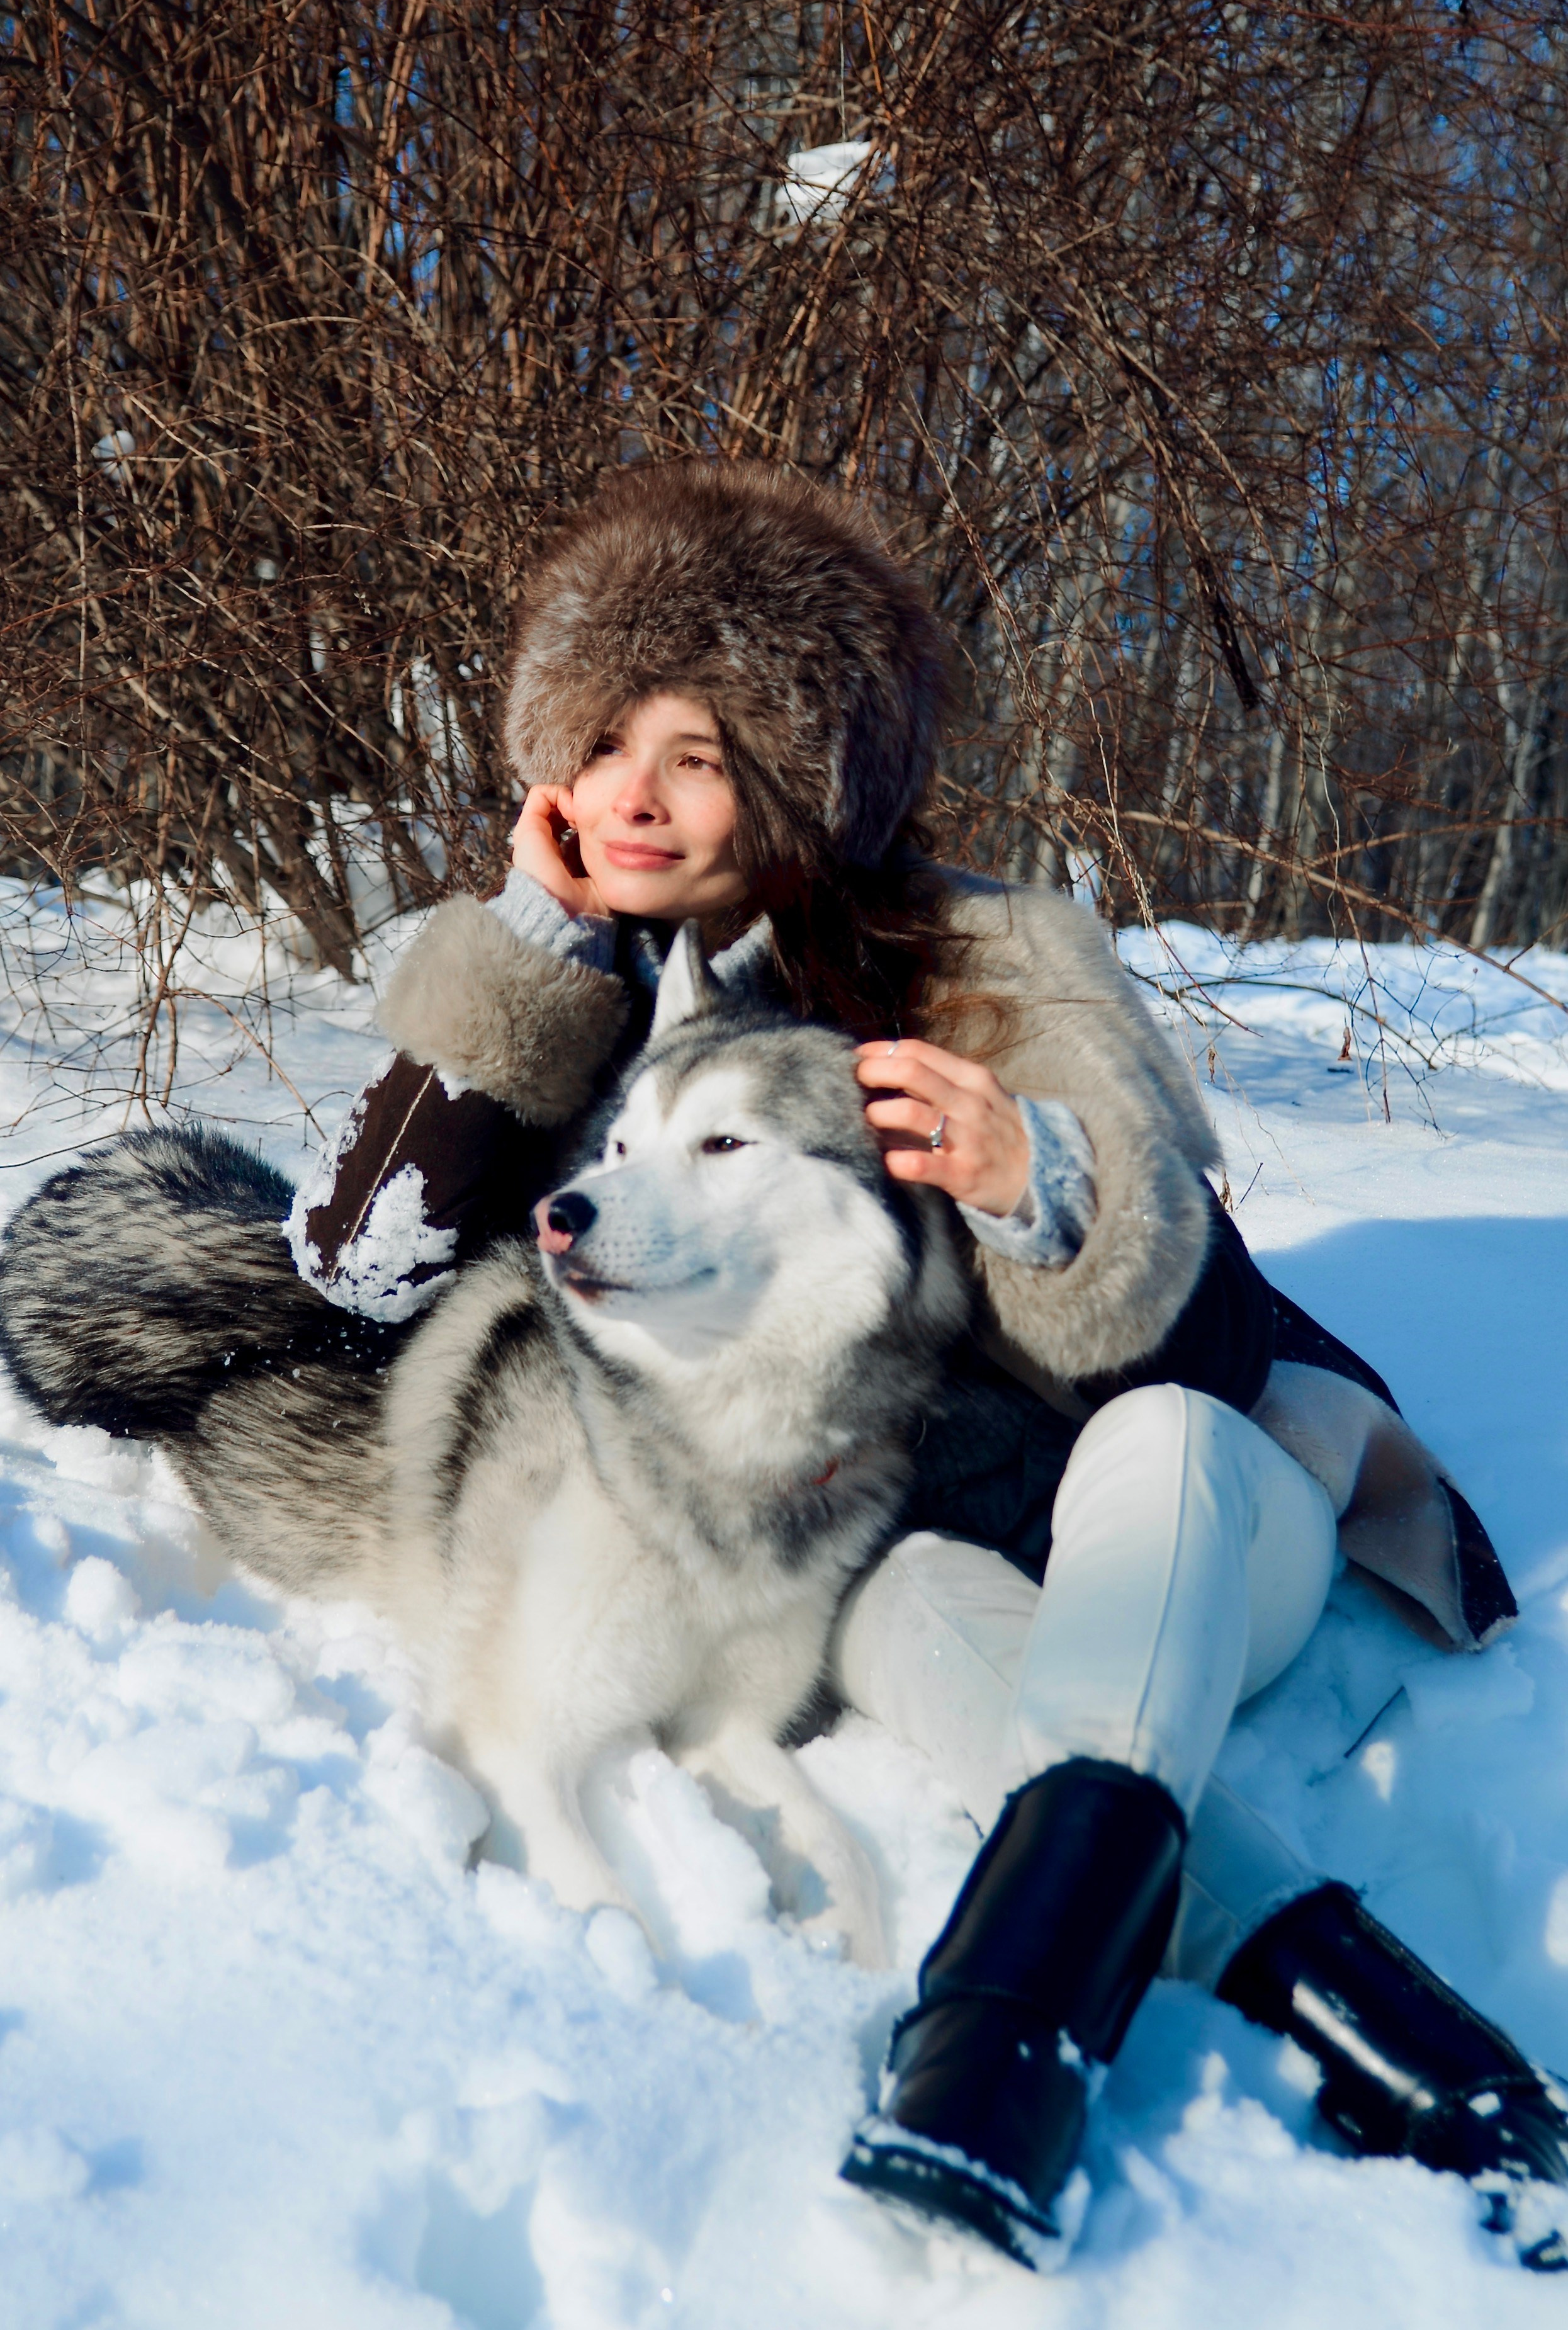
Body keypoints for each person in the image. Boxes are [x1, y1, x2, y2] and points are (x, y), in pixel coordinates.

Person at [286, 461, 1568, 2271]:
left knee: (1166, 1446)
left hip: (1190, 1526)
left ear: (796, 776)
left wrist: (1039, 1185)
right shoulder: (597, 1006)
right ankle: (1430, 2073)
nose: (630, 792)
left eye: (695, 752)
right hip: (915, 1563)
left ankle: (986, 2052)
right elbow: (360, 1264)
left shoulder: (990, 961)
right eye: (602, 739)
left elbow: (1210, 1352)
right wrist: (530, 948)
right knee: (966, 1662)